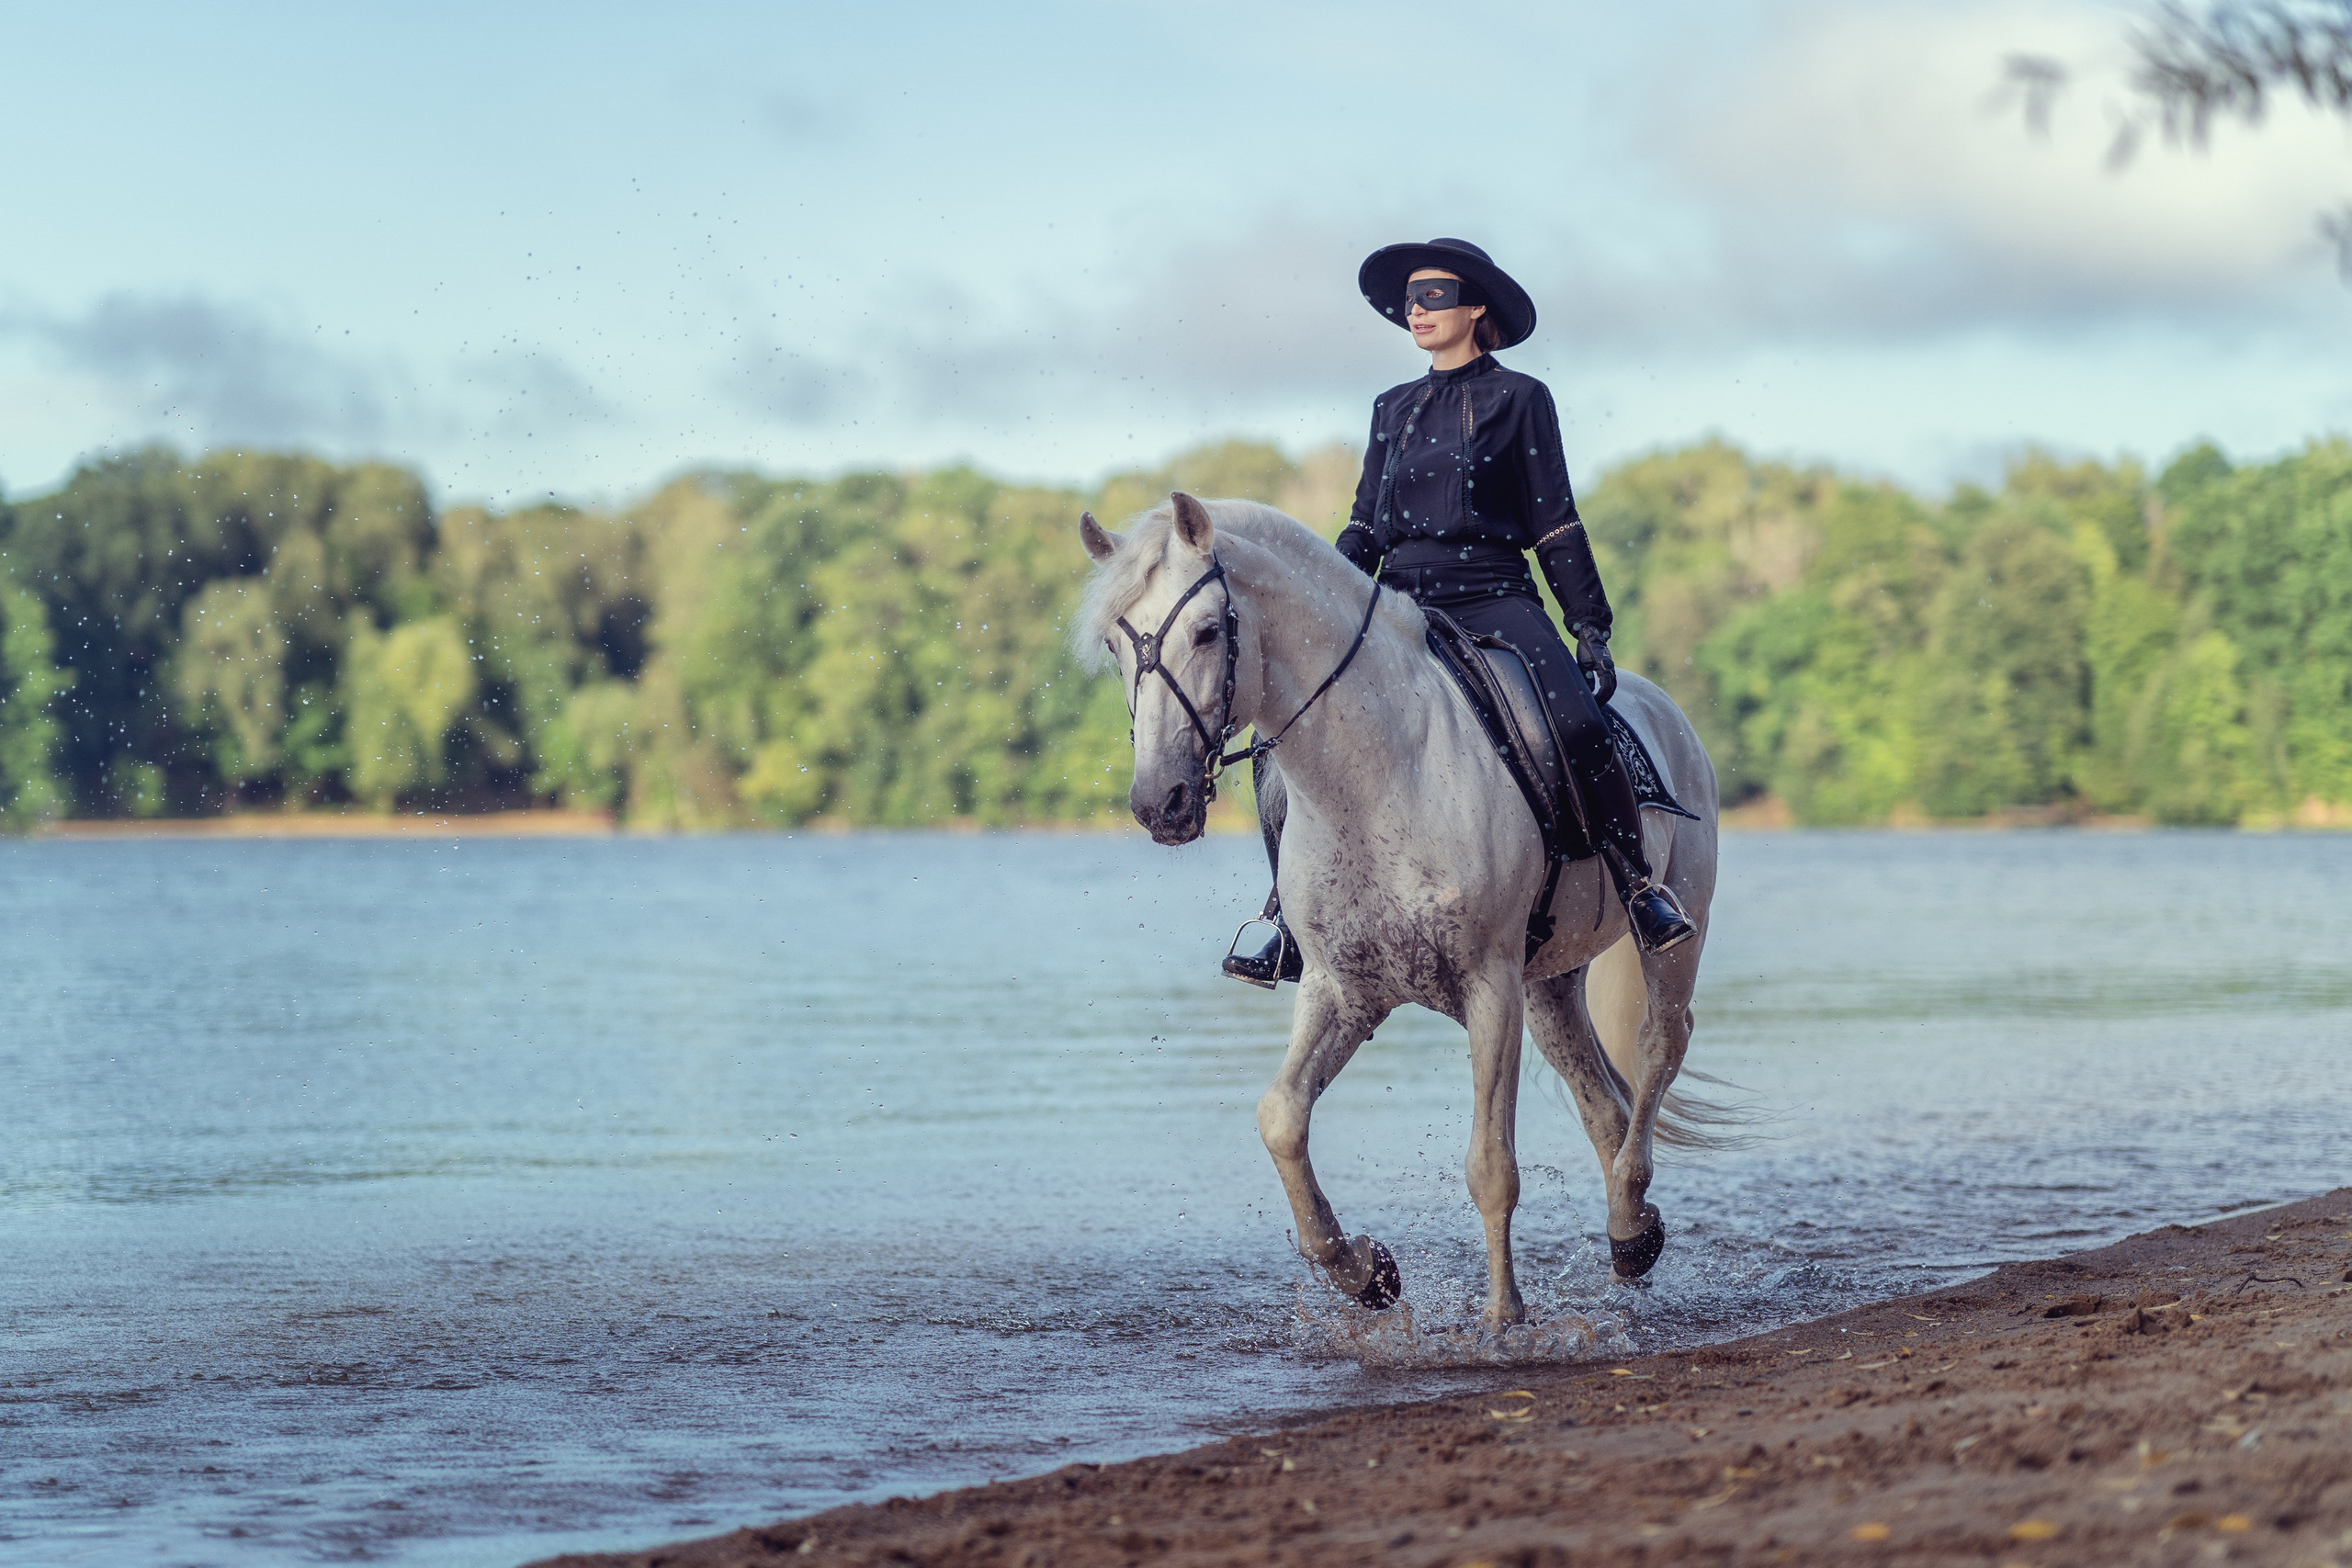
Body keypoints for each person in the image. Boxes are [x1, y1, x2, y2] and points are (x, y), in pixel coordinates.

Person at [1225, 237, 1696, 987]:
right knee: (1279, 737)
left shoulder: (1522, 399)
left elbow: (1555, 522)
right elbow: (1366, 527)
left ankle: (1639, 887)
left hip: (1496, 595)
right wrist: (1327, 607)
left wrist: (1589, 624)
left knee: (1575, 720)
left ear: (1477, 308)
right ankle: (1285, 913)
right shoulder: (1390, 407)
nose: (1417, 308)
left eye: (1434, 295)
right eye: (1410, 298)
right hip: (1400, 602)